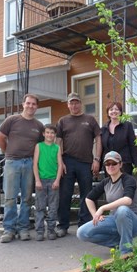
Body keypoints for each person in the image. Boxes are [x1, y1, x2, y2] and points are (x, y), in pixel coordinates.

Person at [0, 93, 45, 243]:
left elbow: (41, 147)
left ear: (37, 106)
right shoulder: (12, 120)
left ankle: (23, 228)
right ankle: (9, 229)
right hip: (12, 163)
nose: (30, 106)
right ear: (23, 104)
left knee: (27, 198)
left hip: (30, 164)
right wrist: (8, 153)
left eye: (33, 104)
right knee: (10, 197)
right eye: (28, 103)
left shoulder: (38, 126)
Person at [76, 151, 137, 254]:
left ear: (120, 164)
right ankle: (119, 243)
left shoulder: (128, 180)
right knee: (82, 233)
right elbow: (89, 198)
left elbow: (127, 200)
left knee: (122, 210)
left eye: (114, 163)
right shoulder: (106, 182)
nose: (110, 166)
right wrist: (95, 215)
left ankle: (126, 253)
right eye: (107, 164)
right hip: (114, 220)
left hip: (134, 221)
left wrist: (102, 208)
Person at [55, 92, 102, 237]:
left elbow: (98, 139)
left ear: (80, 104)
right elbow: (58, 143)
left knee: (86, 195)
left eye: (76, 102)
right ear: (68, 105)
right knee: (65, 194)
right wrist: (60, 162)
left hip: (86, 162)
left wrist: (97, 159)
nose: (74, 105)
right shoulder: (62, 121)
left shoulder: (90, 120)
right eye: (71, 103)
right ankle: (62, 225)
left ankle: (85, 225)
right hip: (68, 161)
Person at [32, 124, 63, 241]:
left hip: (53, 180)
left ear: (55, 135)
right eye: (48, 132)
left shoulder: (57, 148)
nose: (50, 135)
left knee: (53, 207)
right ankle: (40, 231)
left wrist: (57, 180)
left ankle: (51, 230)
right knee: (40, 207)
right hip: (41, 181)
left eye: (52, 133)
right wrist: (37, 180)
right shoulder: (39, 146)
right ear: (43, 134)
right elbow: (35, 164)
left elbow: (60, 165)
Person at [100, 101, 137, 176]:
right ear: (108, 112)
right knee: (111, 187)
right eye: (111, 109)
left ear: (120, 112)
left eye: (116, 109)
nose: (114, 111)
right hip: (109, 166)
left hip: (124, 164)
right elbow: (102, 149)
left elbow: (133, 145)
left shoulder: (127, 126)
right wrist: (99, 166)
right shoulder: (103, 129)